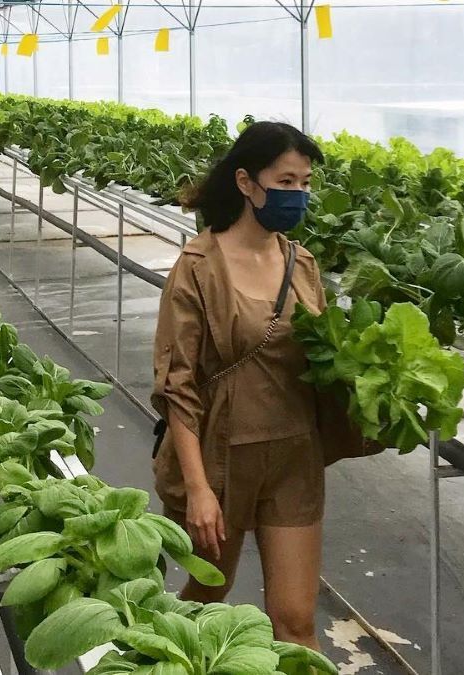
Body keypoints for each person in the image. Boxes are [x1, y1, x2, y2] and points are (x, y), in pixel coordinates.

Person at [151, 121, 374, 651]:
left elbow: (322, 358)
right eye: (287, 182)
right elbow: (178, 386)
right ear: (247, 183)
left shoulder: (303, 265)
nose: (297, 195)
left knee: (295, 622)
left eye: (304, 184)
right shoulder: (198, 266)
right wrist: (200, 489)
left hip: (294, 456)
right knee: (207, 597)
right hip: (221, 458)